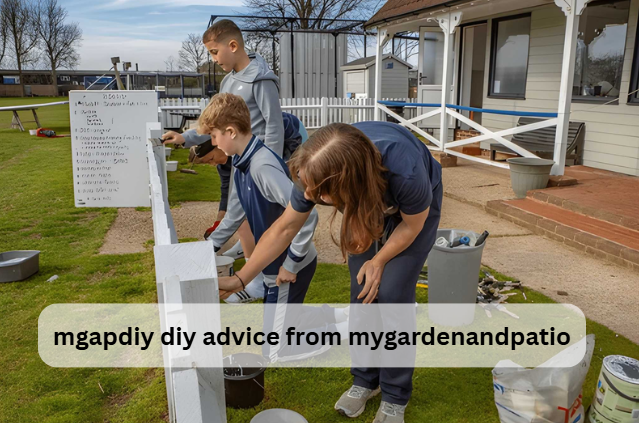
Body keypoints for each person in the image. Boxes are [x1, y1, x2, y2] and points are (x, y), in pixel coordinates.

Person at [217, 121, 443, 422]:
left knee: (392, 295)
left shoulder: (407, 171)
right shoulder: (314, 170)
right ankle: (365, 380)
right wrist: (241, 278)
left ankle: (394, 396)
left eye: (322, 193)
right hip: (361, 196)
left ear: (346, 180)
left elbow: (412, 225)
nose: (314, 197)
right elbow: (284, 228)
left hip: (410, 216)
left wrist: (379, 261)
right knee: (362, 292)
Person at [200, 93, 343, 361]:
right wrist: (205, 250)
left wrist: (291, 264)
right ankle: (337, 314)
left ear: (230, 132)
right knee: (279, 325)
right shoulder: (241, 162)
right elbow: (234, 215)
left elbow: (307, 215)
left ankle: (348, 330)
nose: (214, 142)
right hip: (273, 264)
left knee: (275, 351)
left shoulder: (262, 166)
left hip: (287, 267)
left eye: (214, 135)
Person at [162, 19, 284, 303]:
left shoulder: (261, 80)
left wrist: (271, 167)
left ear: (233, 45)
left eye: (215, 52)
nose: (214, 59)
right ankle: (251, 279)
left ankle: (264, 282)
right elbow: (213, 123)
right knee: (239, 219)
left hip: (259, 166)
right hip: (240, 163)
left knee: (263, 225)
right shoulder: (228, 82)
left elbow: (274, 127)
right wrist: (184, 137)